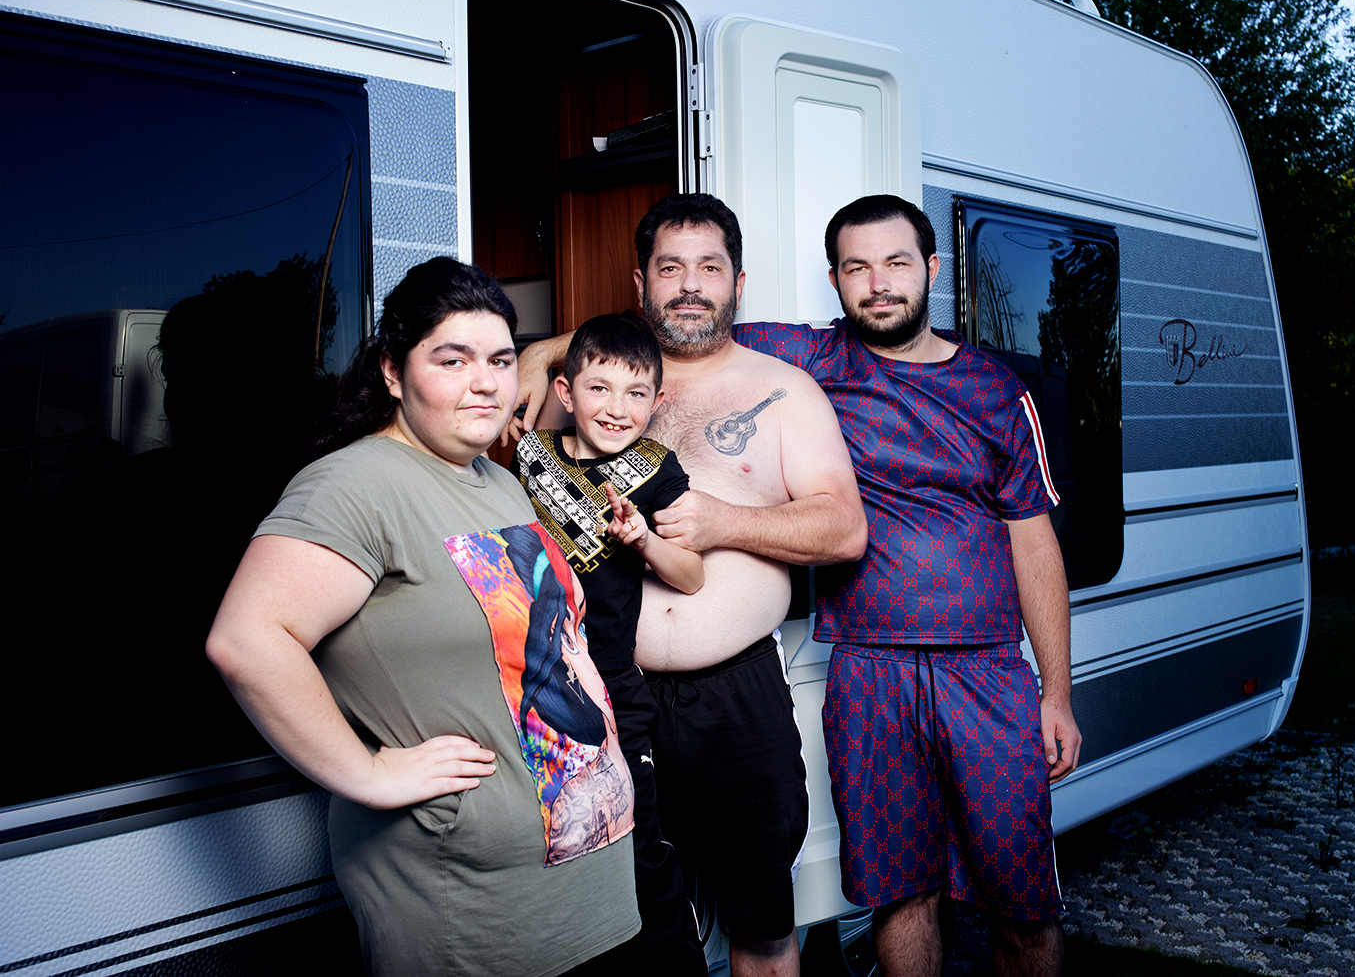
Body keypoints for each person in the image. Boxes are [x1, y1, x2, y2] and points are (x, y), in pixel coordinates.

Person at [206, 258, 640, 977]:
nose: (485, 381)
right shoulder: (356, 485)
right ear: (392, 373)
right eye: (452, 358)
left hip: (583, 879)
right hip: (470, 902)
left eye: (501, 360)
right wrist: (368, 772)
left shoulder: (496, 481)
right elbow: (248, 641)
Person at [513, 195, 867, 977]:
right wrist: (539, 353)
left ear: (739, 281)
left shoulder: (783, 391)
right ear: (640, 281)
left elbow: (844, 531)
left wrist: (722, 523)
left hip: (734, 698)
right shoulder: (592, 380)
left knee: (762, 925)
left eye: (709, 267)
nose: (690, 286)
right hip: (601, 697)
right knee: (618, 920)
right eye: (671, 267)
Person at [731, 195, 1083, 977]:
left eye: (895, 263)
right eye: (857, 267)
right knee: (900, 893)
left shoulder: (997, 392)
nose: (877, 283)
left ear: (929, 270)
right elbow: (679, 333)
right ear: (835, 279)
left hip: (986, 673)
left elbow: (1036, 549)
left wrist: (1054, 693)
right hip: (870, 671)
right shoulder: (814, 362)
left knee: (1022, 901)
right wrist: (553, 347)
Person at [510, 311, 707, 974]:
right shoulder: (526, 456)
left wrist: (644, 541)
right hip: (534, 688)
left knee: (640, 845)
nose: (615, 409)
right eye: (598, 389)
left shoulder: (657, 470)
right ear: (567, 392)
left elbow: (692, 574)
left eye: (633, 394)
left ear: (656, 401)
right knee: (554, 846)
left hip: (615, 690)